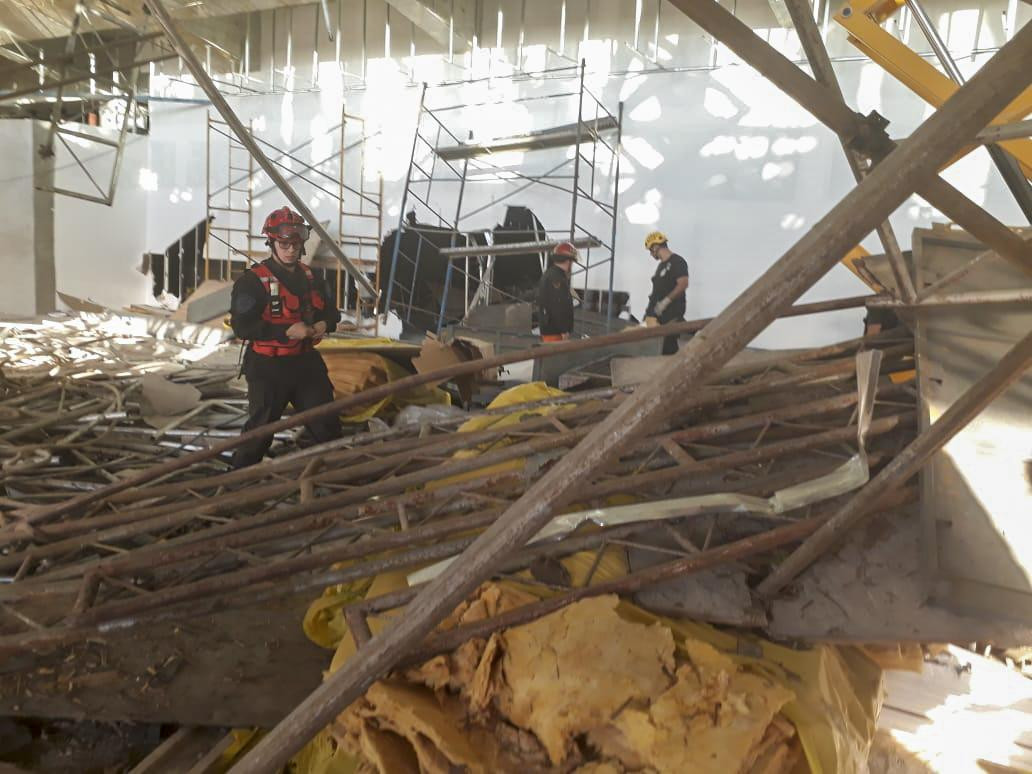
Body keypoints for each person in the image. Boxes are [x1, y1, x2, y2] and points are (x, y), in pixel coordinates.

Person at [229, 206, 342, 468]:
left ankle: (337, 478)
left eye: (295, 244)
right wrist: (285, 332)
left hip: (306, 365)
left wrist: (325, 323)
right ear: (271, 242)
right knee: (259, 433)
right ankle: (234, 482)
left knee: (326, 425)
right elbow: (242, 327)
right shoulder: (251, 282)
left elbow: (332, 313)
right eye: (284, 244)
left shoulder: (313, 277)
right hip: (268, 368)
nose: (290, 249)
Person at [643, 230, 690, 355]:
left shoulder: (677, 262)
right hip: (658, 319)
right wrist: (649, 313)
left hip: (671, 317)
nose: (651, 254)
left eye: (650, 250)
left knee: (668, 350)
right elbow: (657, 292)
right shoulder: (661, 267)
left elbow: (683, 284)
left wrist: (666, 301)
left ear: (656, 247)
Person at [536, 241, 578, 342]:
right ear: (568, 261)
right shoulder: (557, 278)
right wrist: (564, 330)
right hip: (555, 332)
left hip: (552, 330)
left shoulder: (552, 275)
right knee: (556, 357)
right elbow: (558, 305)